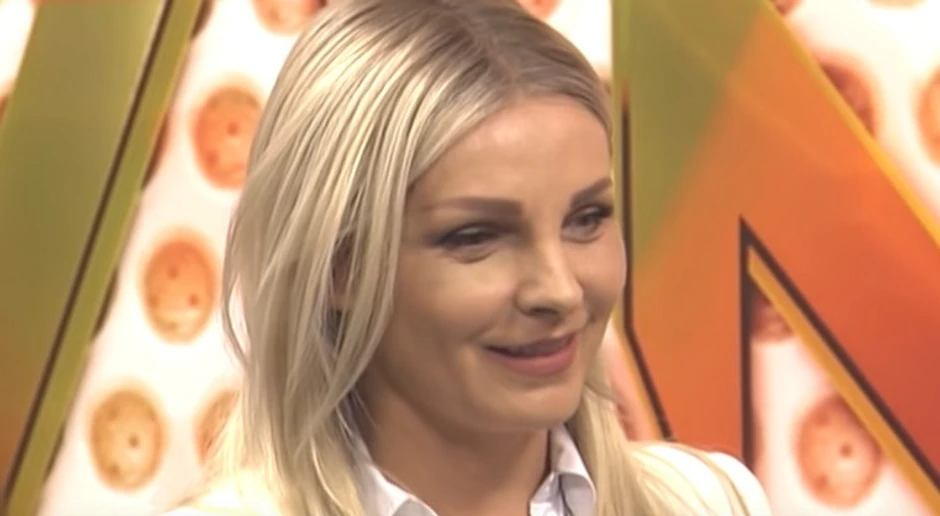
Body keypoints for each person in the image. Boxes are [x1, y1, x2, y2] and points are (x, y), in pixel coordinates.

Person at [163, 0, 773, 514]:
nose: (559, 290)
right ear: (339, 266)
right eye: (477, 236)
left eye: (586, 219)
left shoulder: (709, 502)